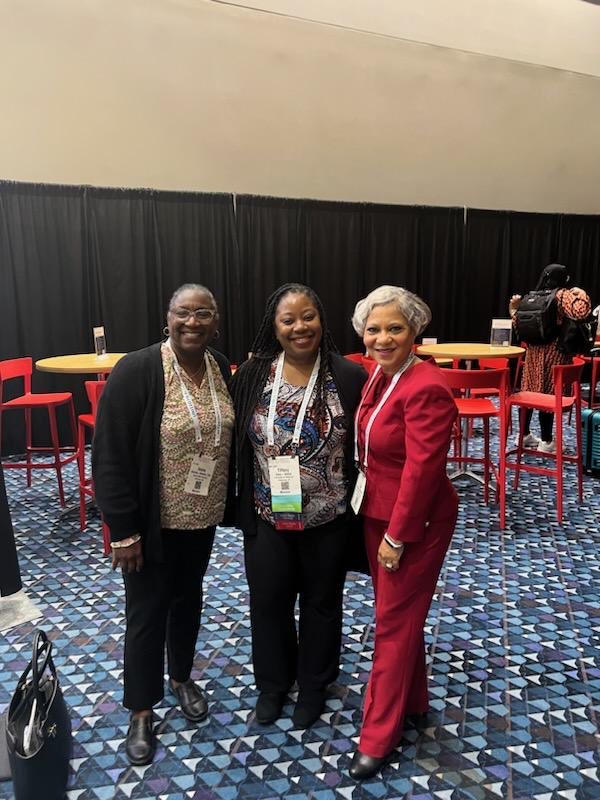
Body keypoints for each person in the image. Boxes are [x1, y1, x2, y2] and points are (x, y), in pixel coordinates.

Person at [92, 283, 234, 766]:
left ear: (216, 321)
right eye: (183, 314)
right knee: (146, 612)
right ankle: (141, 708)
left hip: (201, 516)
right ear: (167, 318)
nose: (192, 323)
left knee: (187, 600)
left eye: (203, 314)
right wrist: (124, 530)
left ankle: (181, 677)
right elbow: (108, 455)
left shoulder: (219, 368)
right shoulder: (137, 370)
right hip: (149, 526)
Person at [230, 283, 366, 729]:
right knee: (267, 603)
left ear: (322, 320)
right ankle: (272, 686)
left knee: (321, 604)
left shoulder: (347, 377)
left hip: (328, 519)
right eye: (288, 320)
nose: (299, 327)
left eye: (308, 316)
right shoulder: (253, 375)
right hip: (268, 517)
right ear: (275, 326)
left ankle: (313, 686)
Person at [348, 285, 458, 779]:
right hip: (376, 510)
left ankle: (377, 735)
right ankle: (413, 703)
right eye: (374, 329)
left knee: (391, 622)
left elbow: (423, 471)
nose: (382, 337)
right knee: (397, 610)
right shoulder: (380, 375)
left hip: (413, 523)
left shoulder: (425, 385)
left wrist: (398, 536)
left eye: (394, 328)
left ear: (415, 331)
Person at [509, 263, 591, 452]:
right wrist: (581, 293)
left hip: (533, 355)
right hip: (555, 353)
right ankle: (546, 441)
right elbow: (581, 312)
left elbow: (517, 323)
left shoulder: (532, 296)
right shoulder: (562, 295)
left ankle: (523, 436)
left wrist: (513, 308)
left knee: (529, 392)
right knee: (548, 395)